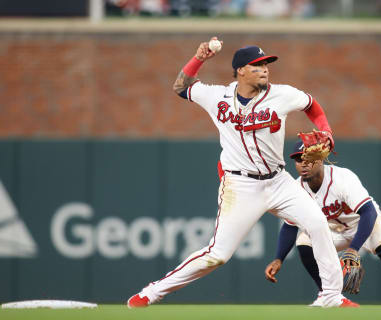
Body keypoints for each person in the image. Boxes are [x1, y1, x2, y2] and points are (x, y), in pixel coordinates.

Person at [127, 37, 358, 308]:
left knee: (317, 224)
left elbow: (311, 105)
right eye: (257, 65)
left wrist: (326, 132)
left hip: (279, 181)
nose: (265, 69)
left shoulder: (282, 94)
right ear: (241, 71)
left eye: (266, 64)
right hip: (240, 185)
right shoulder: (217, 96)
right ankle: (152, 292)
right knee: (218, 254)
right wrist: (199, 58)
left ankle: (331, 295)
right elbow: (180, 87)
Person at [264, 140, 381, 308]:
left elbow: (368, 212)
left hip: (363, 223)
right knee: (304, 241)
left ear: (320, 159)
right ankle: (326, 293)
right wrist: (279, 258)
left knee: (380, 242)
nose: (303, 164)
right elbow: (290, 225)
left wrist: (353, 248)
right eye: (299, 160)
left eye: (308, 159)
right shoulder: (296, 188)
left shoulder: (342, 178)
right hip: (332, 230)